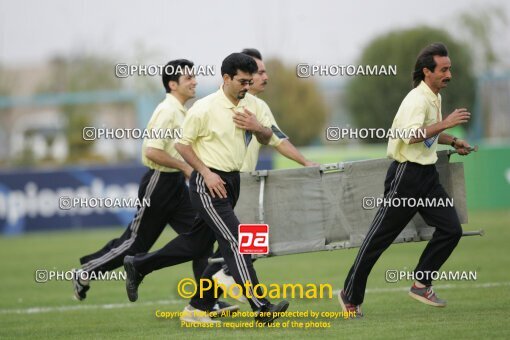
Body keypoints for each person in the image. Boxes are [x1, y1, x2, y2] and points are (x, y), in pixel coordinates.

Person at [124, 53, 289, 325]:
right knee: (238, 242)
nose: (247, 87)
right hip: (208, 184)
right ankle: (261, 307)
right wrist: (205, 173)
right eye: (242, 81)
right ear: (226, 78)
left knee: (196, 243)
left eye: (250, 82)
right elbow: (181, 145)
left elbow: (268, 137)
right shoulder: (204, 108)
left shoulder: (251, 105)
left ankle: (140, 265)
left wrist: (257, 127)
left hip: (231, 183)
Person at [338, 43, 472, 318]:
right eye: (444, 70)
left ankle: (421, 283)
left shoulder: (434, 97)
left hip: (427, 177)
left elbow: (429, 134)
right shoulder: (417, 99)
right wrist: (446, 125)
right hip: (406, 177)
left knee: (451, 230)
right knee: (377, 240)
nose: (449, 74)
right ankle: (349, 295)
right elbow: (411, 136)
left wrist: (454, 140)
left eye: (450, 69)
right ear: (427, 71)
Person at [71, 59, 209, 301]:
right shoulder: (167, 111)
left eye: (194, 76)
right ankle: (86, 271)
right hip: (159, 184)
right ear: (172, 84)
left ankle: (207, 300)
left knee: (203, 236)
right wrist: (184, 167)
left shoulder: (180, 111)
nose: (195, 81)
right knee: (135, 245)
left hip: (175, 184)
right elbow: (151, 152)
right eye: (189, 78)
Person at [211, 48, 319, 301]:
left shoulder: (258, 106)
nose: (265, 77)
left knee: (232, 245)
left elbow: (277, 140)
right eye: (259, 72)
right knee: (242, 243)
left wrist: (304, 161)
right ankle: (230, 285)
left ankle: (200, 303)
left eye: (264, 72)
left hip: (242, 184)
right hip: (223, 184)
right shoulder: (219, 105)